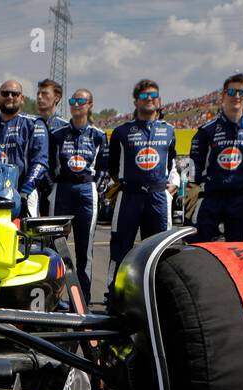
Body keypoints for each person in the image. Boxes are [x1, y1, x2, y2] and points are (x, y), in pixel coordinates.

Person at [106, 79, 177, 288]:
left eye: (153, 96)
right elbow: (113, 167)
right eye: (144, 97)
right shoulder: (121, 132)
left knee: (159, 248)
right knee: (120, 247)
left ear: (160, 100)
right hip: (129, 196)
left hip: (157, 197)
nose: (149, 100)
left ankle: (157, 292)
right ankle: (114, 292)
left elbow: (171, 163)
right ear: (136, 101)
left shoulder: (169, 131)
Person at [188, 73, 243, 242]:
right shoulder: (206, 130)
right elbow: (194, 163)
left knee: (239, 248)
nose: (236, 96)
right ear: (223, 94)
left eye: (241, 92)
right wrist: (195, 188)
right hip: (210, 196)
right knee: (199, 245)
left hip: (240, 197)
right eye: (231, 92)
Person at [49, 88, 109, 302]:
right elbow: (49, 166)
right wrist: (53, 185)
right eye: (73, 100)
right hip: (62, 191)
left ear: (90, 105)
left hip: (87, 192)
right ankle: (54, 297)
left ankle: (83, 298)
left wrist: (96, 188)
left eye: (81, 101)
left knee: (85, 250)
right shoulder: (57, 135)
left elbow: (104, 169)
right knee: (55, 245)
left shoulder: (98, 135)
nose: (76, 104)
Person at [0, 80, 49, 216]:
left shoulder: (34, 124)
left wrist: (25, 191)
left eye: (14, 94)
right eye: (5, 93)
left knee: (26, 235)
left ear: (22, 98)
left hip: (24, 192)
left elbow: (40, 162)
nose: (9, 96)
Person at [35, 78, 70, 213]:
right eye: (38, 94)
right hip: (32, 186)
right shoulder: (30, 124)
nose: (39, 97)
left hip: (56, 187)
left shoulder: (65, 127)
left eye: (44, 94)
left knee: (54, 230)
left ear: (57, 98)